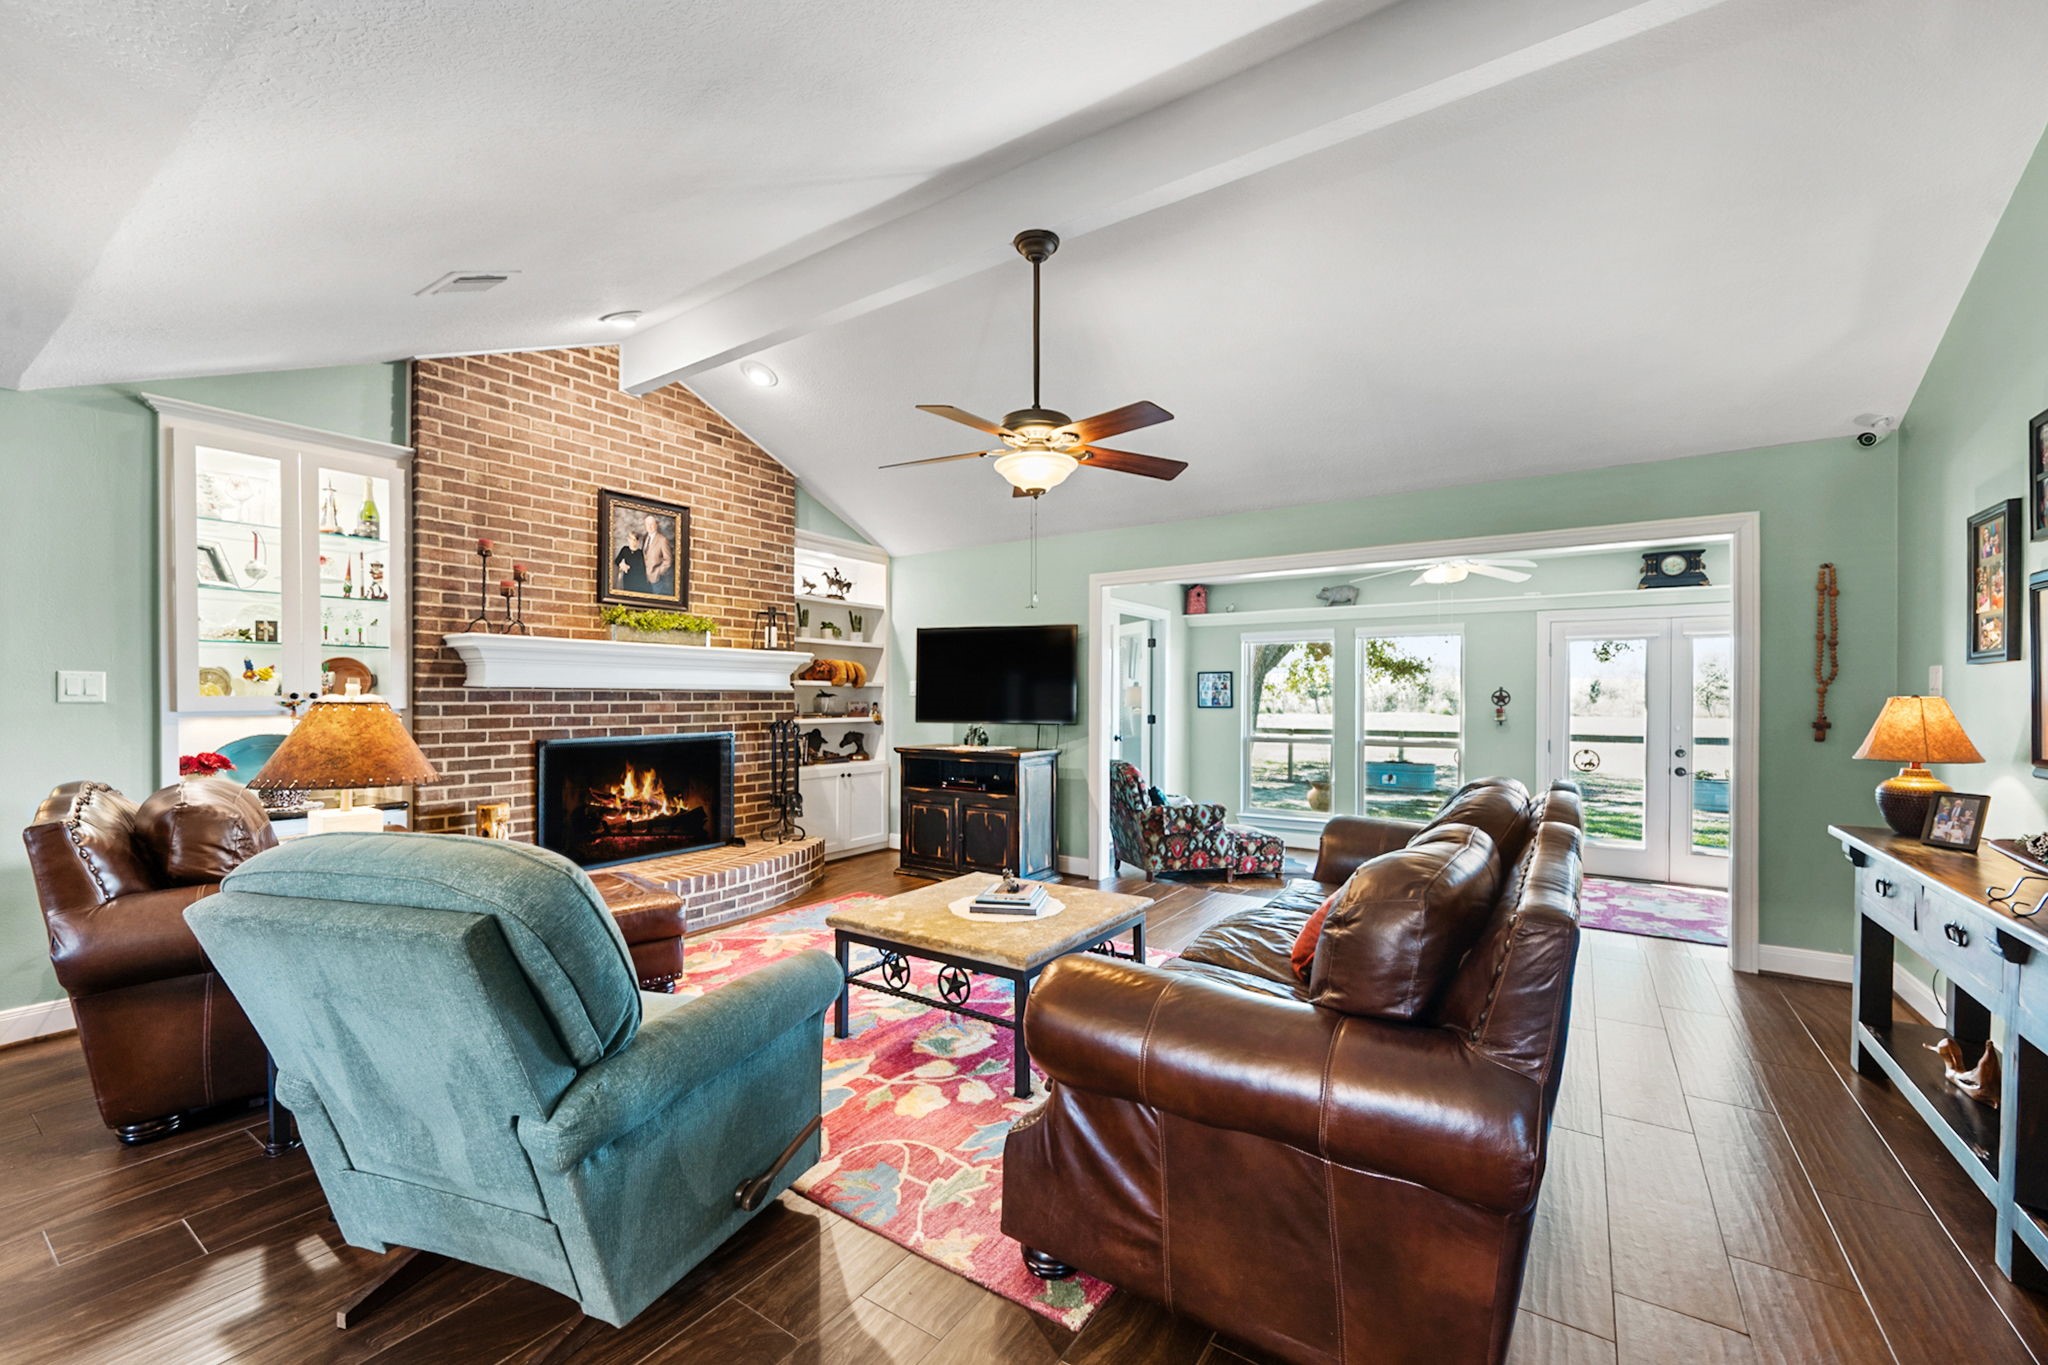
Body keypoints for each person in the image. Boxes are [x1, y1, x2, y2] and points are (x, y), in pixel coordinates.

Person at [641, 513, 673, 594]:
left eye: (652, 524)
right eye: (647, 524)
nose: (650, 526)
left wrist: (657, 572)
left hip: (657, 581)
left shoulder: (662, 540)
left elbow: (668, 560)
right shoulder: (645, 538)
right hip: (644, 579)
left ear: (656, 524)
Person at [613, 530, 649, 595]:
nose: (633, 542)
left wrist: (629, 567)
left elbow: (642, 569)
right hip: (628, 578)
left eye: (635, 540)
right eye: (631, 539)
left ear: (638, 541)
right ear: (628, 539)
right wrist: (622, 565)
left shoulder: (640, 553)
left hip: (638, 580)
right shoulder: (625, 549)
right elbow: (617, 561)